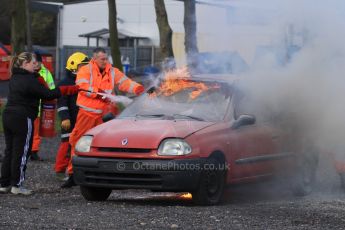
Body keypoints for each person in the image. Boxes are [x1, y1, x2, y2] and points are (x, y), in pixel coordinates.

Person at [61, 47, 145, 188]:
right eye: (102, 59)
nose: (105, 61)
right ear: (94, 59)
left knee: (105, 144)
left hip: (104, 115)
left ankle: (103, 173)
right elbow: (82, 86)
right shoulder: (85, 70)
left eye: (106, 58)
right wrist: (99, 93)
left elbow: (125, 82)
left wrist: (138, 89)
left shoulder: (112, 71)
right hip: (87, 114)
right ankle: (73, 174)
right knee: (77, 141)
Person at [0, 52, 79, 195]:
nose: (36, 65)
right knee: (22, 152)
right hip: (22, 117)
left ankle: (4, 184)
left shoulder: (15, 77)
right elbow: (47, 94)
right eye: (33, 63)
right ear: (25, 64)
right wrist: (70, 88)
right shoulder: (29, 80)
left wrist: (36, 76)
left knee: (10, 151)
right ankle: (17, 185)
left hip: (8, 116)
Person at [55, 52, 90, 181]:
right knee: (66, 145)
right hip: (69, 120)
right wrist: (65, 118)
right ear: (73, 66)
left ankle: (75, 171)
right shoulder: (65, 83)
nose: (85, 68)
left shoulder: (82, 81)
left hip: (80, 120)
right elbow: (62, 103)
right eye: (82, 66)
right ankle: (59, 170)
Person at [30, 52, 56, 161]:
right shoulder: (28, 72)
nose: (35, 65)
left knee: (36, 132)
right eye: (33, 62)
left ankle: (34, 152)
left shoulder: (46, 73)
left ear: (41, 62)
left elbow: (52, 88)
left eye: (36, 62)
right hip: (28, 107)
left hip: (40, 108)